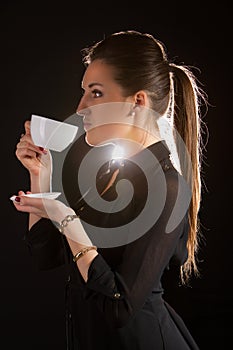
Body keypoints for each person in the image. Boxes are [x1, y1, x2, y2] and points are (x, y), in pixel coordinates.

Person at [11, 30, 207, 349]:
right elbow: (45, 255)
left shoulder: (169, 188)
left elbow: (119, 307)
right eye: (84, 91)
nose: (82, 106)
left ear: (137, 103)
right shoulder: (111, 173)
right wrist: (40, 175)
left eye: (97, 93)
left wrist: (67, 219)